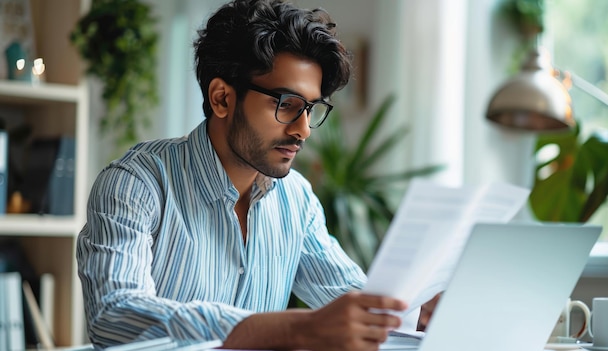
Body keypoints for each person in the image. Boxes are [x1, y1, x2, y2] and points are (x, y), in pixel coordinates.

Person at [76, 0, 436, 350]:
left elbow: (350, 298)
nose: (304, 130)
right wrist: (290, 330)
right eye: (286, 105)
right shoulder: (135, 184)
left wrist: (418, 313)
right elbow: (115, 316)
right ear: (222, 99)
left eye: (310, 108)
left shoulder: (297, 199)